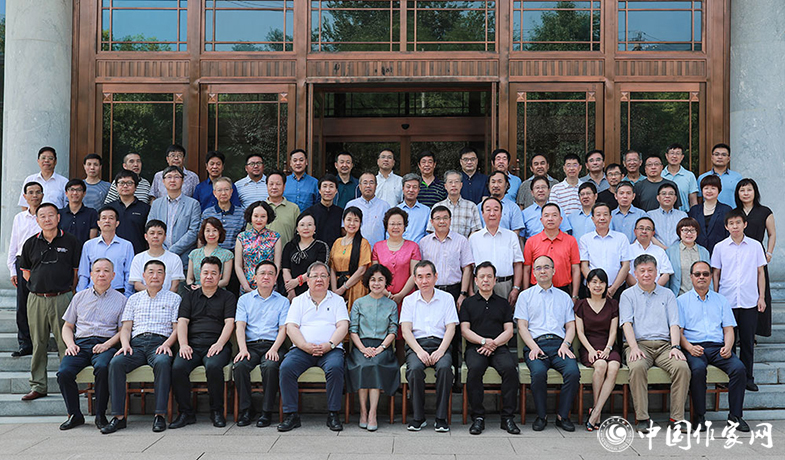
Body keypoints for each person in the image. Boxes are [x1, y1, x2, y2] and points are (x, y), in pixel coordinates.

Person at [102, 260, 181, 434]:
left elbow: (177, 329)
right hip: (135, 344)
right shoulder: (134, 299)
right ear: (144, 276)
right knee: (116, 363)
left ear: (165, 276)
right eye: (151, 272)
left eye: (159, 272)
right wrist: (125, 345)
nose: (155, 276)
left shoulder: (174, 298)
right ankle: (118, 417)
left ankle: (159, 415)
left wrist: (167, 344)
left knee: (162, 362)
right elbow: (126, 328)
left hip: (160, 343)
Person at [17, 203, 81, 401]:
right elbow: (26, 273)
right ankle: (38, 385)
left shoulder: (71, 241)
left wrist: (67, 291)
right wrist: (41, 286)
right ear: (37, 220)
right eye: (42, 216)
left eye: (51, 215)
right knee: (38, 343)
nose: (47, 219)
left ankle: (69, 384)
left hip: (63, 298)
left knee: (65, 343)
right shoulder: (30, 243)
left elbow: (76, 272)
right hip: (37, 299)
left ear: (58, 217)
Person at [620, 254, 690, 433]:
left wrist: (675, 347)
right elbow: (626, 323)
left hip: (665, 345)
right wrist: (633, 347)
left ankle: (677, 418)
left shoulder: (667, 294)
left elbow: (674, 323)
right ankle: (642, 418)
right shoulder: (627, 295)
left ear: (657, 272)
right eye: (642, 271)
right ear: (635, 273)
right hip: (639, 345)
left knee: (682, 367)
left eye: (650, 270)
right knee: (637, 367)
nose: (646, 274)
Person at [278, 262, 349, 432]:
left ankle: (333, 414)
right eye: (315, 276)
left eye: (323, 276)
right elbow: (291, 327)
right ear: (307, 280)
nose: (319, 279)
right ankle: (291, 415)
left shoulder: (338, 300)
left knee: (335, 367)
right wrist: (304, 346)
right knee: (286, 368)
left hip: (330, 349)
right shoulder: (298, 301)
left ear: (328, 280)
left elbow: (343, 326)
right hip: (302, 349)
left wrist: (330, 345)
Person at [678, 261, 749, 432]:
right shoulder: (681, 301)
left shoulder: (721, 300)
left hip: (718, 347)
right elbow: (678, 332)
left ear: (711, 277)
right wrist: (689, 347)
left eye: (705, 274)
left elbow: (728, 329)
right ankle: (699, 416)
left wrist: (728, 346)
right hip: (694, 347)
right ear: (691, 277)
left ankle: (735, 416)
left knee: (739, 368)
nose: (701, 277)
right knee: (698, 369)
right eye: (697, 274)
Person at [57, 258, 126, 431]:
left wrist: (107, 345)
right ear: (91, 274)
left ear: (113, 275)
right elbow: (67, 326)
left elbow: (123, 331)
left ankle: (100, 414)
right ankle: (75, 415)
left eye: (106, 271)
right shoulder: (79, 297)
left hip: (106, 343)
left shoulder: (121, 300)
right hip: (80, 344)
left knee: (103, 367)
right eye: (97, 271)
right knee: (64, 372)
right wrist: (70, 344)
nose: (102, 274)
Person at [515, 255, 580, 432]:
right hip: (536, 345)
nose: (542, 271)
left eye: (546, 267)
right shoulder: (525, 296)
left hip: (560, 346)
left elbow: (570, 326)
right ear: (533, 273)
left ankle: (562, 416)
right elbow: (522, 326)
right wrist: (534, 347)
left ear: (553, 270)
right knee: (538, 373)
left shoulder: (564, 297)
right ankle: (541, 416)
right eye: (538, 268)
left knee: (573, 372)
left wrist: (566, 344)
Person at [170, 256, 236, 429]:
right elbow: (182, 322)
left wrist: (220, 344)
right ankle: (185, 413)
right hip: (192, 345)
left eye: (213, 273)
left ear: (220, 276)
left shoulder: (228, 297)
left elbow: (229, 323)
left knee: (213, 366)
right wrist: (183, 344)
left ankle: (216, 411)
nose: (209, 276)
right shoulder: (189, 296)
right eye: (205, 272)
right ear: (200, 274)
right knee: (178, 367)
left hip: (217, 345)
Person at [460, 262, 520, 435]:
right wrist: (483, 341)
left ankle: (507, 418)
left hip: (499, 347)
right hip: (475, 348)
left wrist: (493, 344)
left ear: (495, 280)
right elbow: (464, 330)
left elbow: (509, 331)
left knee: (510, 369)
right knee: (475, 369)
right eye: (482, 277)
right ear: (476, 281)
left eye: (489, 277)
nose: (485, 280)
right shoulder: (468, 303)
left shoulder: (503, 303)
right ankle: (478, 417)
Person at [711, 209, 767, 392]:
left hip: (749, 301)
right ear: (726, 226)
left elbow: (760, 272)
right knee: (728, 342)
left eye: (738, 223)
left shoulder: (755, 246)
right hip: (727, 301)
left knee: (748, 342)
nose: (735, 226)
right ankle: (728, 377)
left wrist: (761, 297)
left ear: (745, 224)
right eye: (731, 223)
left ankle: (748, 378)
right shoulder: (720, 247)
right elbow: (716, 273)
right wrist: (716, 298)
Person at [420, 205, 474, 391]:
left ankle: (456, 378)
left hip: (454, 291)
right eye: (438, 218)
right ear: (432, 222)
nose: (441, 221)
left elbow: (467, 268)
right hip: (431, 291)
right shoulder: (424, 243)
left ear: (450, 220)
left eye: (445, 218)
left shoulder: (461, 241)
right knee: (436, 332)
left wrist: (463, 294)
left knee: (455, 334)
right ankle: (434, 375)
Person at [401, 261, 459, 432]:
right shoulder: (409, 300)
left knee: (445, 368)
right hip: (417, 345)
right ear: (414, 279)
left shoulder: (447, 298)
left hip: (440, 344)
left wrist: (441, 350)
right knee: (414, 370)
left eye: (428, 276)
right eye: (420, 277)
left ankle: (441, 418)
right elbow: (406, 330)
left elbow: (451, 328)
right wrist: (419, 351)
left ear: (436, 277)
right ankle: (418, 417)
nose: (424, 281)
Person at [233, 260, 290, 428]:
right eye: (262, 273)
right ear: (255, 277)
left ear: (275, 278)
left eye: (270, 274)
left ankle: (267, 412)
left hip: (273, 345)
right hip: (250, 346)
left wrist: (274, 349)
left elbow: (283, 329)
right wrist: (242, 349)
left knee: (270, 366)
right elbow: (240, 326)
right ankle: (246, 410)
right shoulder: (244, 300)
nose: (266, 277)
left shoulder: (283, 301)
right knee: (240, 365)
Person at [346, 264, 400, 431]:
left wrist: (381, 348)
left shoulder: (391, 305)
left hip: (383, 347)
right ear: (367, 282)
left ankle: (373, 413)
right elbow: (353, 330)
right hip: (361, 346)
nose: (376, 283)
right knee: (363, 365)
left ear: (386, 282)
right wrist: (363, 349)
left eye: (380, 280)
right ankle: (363, 411)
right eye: (373, 280)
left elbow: (393, 331)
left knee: (375, 364)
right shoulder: (358, 303)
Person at [573, 269, 620, 431]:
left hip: (608, 345)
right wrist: (591, 350)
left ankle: (595, 412)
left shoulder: (613, 304)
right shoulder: (581, 304)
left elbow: (613, 331)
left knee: (613, 367)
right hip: (589, 346)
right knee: (600, 365)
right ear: (587, 284)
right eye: (594, 282)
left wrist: (608, 349)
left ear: (606, 285)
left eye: (601, 282)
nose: (598, 285)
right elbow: (580, 332)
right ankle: (596, 411)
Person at [735, 178, 777, 338]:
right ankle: (739, 334)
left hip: (757, 256)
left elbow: (772, 234)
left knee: (760, 291)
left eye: (749, 190)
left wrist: (769, 253)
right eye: (742, 190)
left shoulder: (764, 211)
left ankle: (754, 332)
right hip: (738, 256)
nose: (746, 193)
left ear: (755, 192)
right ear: (737, 193)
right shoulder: (735, 212)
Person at [7, 182, 43, 357]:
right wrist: (12, 269)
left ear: (42, 195)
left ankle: (40, 343)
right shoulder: (19, 218)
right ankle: (25, 343)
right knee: (23, 305)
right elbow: (13, 244)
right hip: (22, 263)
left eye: (38, 192)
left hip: (42, 263)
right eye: (31, 192)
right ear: (25, 196)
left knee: (41, 305)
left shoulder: (47, 216)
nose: (34, 195)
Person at [470, 197, 524, 303]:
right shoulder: (474, 238)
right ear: (482, 213)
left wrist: (516, 288)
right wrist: (470, 291)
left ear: (501, 213)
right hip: (480, 286)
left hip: (505, 286)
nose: (492, 213)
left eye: (496, 209)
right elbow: (470, 267)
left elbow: (518, 264)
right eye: (488, 210)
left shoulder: (511, 236)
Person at [147, 166, 202, 268]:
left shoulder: (193, 204)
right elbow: (150, 227)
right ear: (163, 181)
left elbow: (193, 231)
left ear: (182, 181)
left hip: (183, 259)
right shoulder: (156, 204)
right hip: (158, 258)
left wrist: (171, 251)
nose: (172, 180)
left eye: (176, 177)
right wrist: (162, 249)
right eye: (169, 177)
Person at [523, 203, 580, 299]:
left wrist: (574, 296)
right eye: (546, 215)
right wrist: (526, 294)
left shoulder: (571, 241)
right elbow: (526, 269)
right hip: (537, 290)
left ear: (561, 219)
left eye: (554, 215)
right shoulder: (531, 241)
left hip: (563, 290)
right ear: (541, 220)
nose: (550, 219)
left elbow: (575, 269)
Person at [77, 207, 134, 296]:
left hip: (118, 293)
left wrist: (127, 295)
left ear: (117, 223)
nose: (107, 221)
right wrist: (82, 294)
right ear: (98, 223)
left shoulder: (126, 245)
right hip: (92, 293)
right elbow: (83, 273)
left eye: (111, 218)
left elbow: (129, 273)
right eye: (104, 218)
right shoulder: (89, 245)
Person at [579, 203, 631, 300]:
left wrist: (613, 288)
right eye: (598, 215)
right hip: (592, 290)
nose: (602, 218)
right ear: (593, 219)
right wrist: (596, 285)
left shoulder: (621, 238)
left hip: (616, 289)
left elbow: (626, 265)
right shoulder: (585, 239)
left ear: (610, 218)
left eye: (605, 214)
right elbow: (584, 266)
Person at [372, 208, 422, 306]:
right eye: (392, 224)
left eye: (399, 224)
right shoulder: (378, 247)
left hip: (407, 298)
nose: (396, 227)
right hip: (382, 297)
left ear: (404, 226)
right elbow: (375, 274)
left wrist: (401, 295)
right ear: (386, 226)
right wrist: (387, 294)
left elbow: (414, 274)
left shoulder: (413, 247)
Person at [235, 201, 282, 294]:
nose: (259, 220)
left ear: (268, 217)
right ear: (250, 217)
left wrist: (272, 283)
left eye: (263, 216)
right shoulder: (242, 237)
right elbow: (238, 265)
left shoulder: (275, 237)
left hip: (269, 286)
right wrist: (246, 286)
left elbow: (277, 264)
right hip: (247, 286)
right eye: (256, 216)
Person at [330, 207, 372, 310]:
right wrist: (335, 290)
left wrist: (343, 288)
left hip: (356, 287)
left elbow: (362, 270)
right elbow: (332, 268)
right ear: (343, 221)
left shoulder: (363, 243)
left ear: (360, 223)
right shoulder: (337, 242)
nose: (352, 223)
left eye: (356, 220)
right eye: (349, 220)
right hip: (337, 286)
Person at [282, 212, 330, 300]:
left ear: (314, 228)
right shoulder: (289, 246)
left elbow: (318, 269)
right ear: (297, 228)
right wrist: (291, 291)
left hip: (314, 290)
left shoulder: (321, 246)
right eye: (302, 225)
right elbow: (285, 269)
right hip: (292, 291)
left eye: (309, 225)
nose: (306, 228)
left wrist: (297, 281)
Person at [129, 220, 185, 294]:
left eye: (160, 233)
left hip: (168, 299)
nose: (155, 236)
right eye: (152, 233)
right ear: (146, 236)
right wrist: (154, 295)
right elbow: (137, 285)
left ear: (165, 237)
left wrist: (164, 297)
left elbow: (175, 285)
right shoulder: (138, 258)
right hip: (144, 298)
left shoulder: (175, 259)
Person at [106, 170, 151, 254]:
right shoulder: (108, 208)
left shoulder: (145, 208)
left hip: (137, 253)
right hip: (112, 253)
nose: (125, 186)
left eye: (129, 183)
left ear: (136, 186)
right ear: (116, 187)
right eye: (121, 183)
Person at [427, 170, 482, 238]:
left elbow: (476, 230)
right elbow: (431, 230)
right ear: (445, 186)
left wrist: (465, 243)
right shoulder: (437, 206)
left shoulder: (471, 206)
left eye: (456, 182)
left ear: (461, 185)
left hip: (464, 244)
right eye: (450, 182)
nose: (453, 185)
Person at [666, 217, 712, 296]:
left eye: (693, 230)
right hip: (678, 296)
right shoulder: (670, 251)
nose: (689, 233)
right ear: (679, 232)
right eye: (685, 230)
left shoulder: (704, 252)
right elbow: (667, 278)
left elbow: (708, 276)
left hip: (700, 296)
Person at [186, 218, 233, 291]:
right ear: (203, 233)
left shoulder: (227, 254)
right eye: (208, 231)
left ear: (220, 232)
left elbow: (225, 281)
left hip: (218, 292)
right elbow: (189, 278)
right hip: (196, 292)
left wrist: (204, 288)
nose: (211, 234)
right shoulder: (194, 253)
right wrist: (193, 287)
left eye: (215, 230)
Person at [687, 174, 731, 254]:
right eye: (706, 188)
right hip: (697, 253)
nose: (709, 191)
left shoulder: (726, 210)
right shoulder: (694, 210)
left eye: (713, 188)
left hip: (720, 252)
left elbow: (729, 233)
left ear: (719, 190)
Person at [201, 176, 246, 251]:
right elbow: (201, 237)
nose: (223, 193)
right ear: (214, 193)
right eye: (219, 190)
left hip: (235, 254)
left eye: (226, 189)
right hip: (211, 254)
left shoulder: (241, 213)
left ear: (231, 191)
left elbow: (245, 239)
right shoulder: (207, 213)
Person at [346, 172, 391, 247]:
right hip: (355, 249)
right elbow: (344, 229)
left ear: (376, 186)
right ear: (360, 186)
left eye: (371, 183)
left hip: (378, 250)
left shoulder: (385, 206)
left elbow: (389, 231)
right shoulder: (351, 205)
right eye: (365, 183)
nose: (368, 186)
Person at [626, 216, 674, 287]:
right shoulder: (628, 250)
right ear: (635, 231)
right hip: (633, 291)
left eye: (648, 229)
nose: (644, 231)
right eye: (641, 228)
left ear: (653, 233)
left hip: (657, 291)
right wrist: (638, 289)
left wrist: (654, 289)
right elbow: (626, 273)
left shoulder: (659, 251)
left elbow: (666, 273)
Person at [521, 175, 571, 240]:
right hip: (534, 246)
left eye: (543, 187)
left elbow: (565, 232)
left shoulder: (558, 210)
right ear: (532, 192)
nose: (540, 190)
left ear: (549, 190)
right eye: (537, 188)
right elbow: (521, 237)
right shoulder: (525, 214)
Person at [698, 143, 742, 208]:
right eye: (716, 154)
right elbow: (699, 199)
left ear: (728, 158)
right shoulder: (702, 177)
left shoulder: (737, 177)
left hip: (732, 213)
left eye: (724, 155)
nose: (720, 157)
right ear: (712, 157)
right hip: (709, 213)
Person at [264, 170, 300, 248]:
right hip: (262, 254)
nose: (274, 187)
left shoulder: (294, 208)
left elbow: (298, 234)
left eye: (278, 184)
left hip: (287, 253)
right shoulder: (259, 208)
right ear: (266, 186)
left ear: (284, 186)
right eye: (271, 184)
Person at [304, 174, 341, 248]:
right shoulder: (310, 213)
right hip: (316, 252)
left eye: (331, 186)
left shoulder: (341, 213)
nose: (328, 190)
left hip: (336, 251)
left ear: (336, 190)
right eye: (324, 186)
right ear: (319, 190)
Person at [59, 179, 99, 245]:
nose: (75, 193)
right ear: (66, 193)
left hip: (84, 250)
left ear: (84, 193)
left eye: (79, 190)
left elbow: (92, 240)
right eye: (72, 190)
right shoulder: (59, 214)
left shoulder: (91, 213)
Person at [648, 182, 687, 249]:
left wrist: (674, 250)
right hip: (656, 250)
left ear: (675, 198)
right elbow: (649, 235)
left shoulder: (682, 215)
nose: (667, 196)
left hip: (678, 250)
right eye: (664, 194)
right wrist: (664, 248)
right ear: (658, 198)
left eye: (671, 194)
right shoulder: (650, 215)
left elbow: (686, 235)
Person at [661, 143, 699, 211]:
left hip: (684, 214)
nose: (674, 156)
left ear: (682, 157)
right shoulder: (660, 175)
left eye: (678, 154)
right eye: (672, 153)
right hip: (662, 214)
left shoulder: (689, 176)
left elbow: (693, 201)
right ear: (666, 156)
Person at [397, 173, 429, 242]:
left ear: (419, 190)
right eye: (408, 187)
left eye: (414, 187)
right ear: (403, 189)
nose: (411, 190)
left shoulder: (426, 211)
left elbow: (428, 235)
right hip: (399, 247)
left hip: (419, 248)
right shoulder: (396, 210)